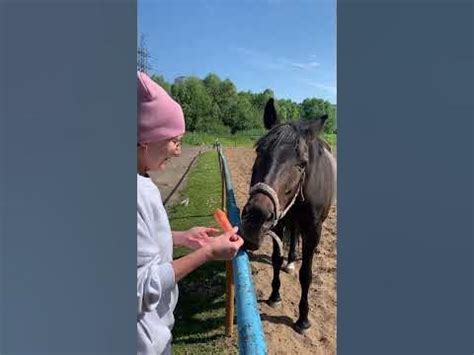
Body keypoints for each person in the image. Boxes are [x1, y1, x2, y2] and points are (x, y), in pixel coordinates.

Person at [136, 71, 244, 355]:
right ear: (147, 139)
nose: (177, 151)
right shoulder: (137, 193)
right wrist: (206, 254)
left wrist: (181, 237)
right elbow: (140, 288)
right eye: (174, 140)